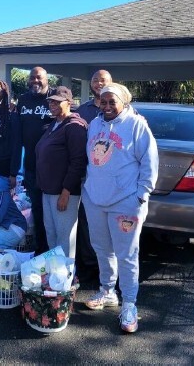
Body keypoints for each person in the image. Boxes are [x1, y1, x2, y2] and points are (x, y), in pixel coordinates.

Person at [82, 83, 158, 333]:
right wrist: (88, 189)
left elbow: (149, 163)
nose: (106, 107)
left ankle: (129, 303)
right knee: (102, 249)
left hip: (125, 202)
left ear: (124, 102)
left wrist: (140, 196)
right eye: (103, 102)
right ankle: (107, 291)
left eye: (111, 102)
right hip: (95, 199)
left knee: (127, 255)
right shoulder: (94, 124)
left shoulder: (136, 125)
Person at [35, 86, 87, 259]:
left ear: (69, 103)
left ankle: (66, 280)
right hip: (48, 191)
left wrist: (66, 192)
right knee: (52, 236)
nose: (52, 104)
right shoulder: (54, 124)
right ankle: (55, 277)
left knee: (64, 240)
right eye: (50, 101)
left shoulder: (75, 126)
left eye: (57, 101)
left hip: (64, 193)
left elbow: (78, 162)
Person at [75, 69, 113, 281]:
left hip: (109, 178)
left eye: (103, 80)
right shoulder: (82, 110)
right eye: (96, 80)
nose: (99, 83)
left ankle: (106, 264)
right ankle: (88, 261)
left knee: (108, 221)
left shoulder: (121, 111)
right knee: (86, 219)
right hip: (86, 175)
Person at [16, 66, 56, 254]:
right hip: (31, 167)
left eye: (39, 78)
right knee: (38, 210)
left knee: (54, 212)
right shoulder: (23, 100)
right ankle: (42, 250)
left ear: (47, 80)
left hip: (52, 168)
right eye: (32, 78)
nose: (35, 81)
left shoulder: (55, 98)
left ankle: (57, 250)